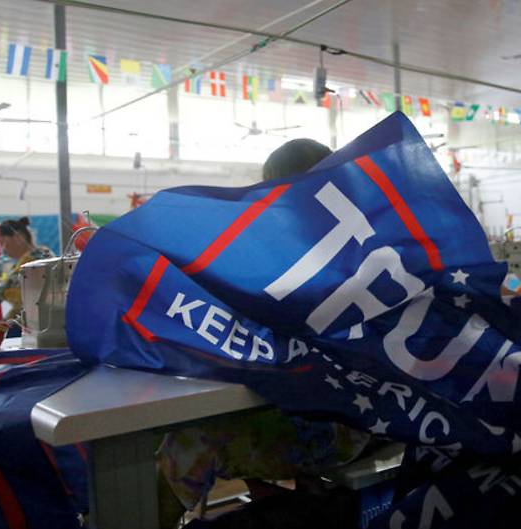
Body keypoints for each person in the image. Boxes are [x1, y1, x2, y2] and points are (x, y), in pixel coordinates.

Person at [156, 139, 370, 528]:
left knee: (189, 441)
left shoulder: (335, 255)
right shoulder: (327, 245)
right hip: (320, 405)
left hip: (349, 422)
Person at [0, 217, 53, 323]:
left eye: (3, 242)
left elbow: (6, 285)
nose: (3, 250)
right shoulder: (42, 253)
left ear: (18, 237)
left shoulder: (35, 258)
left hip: (37, 319)